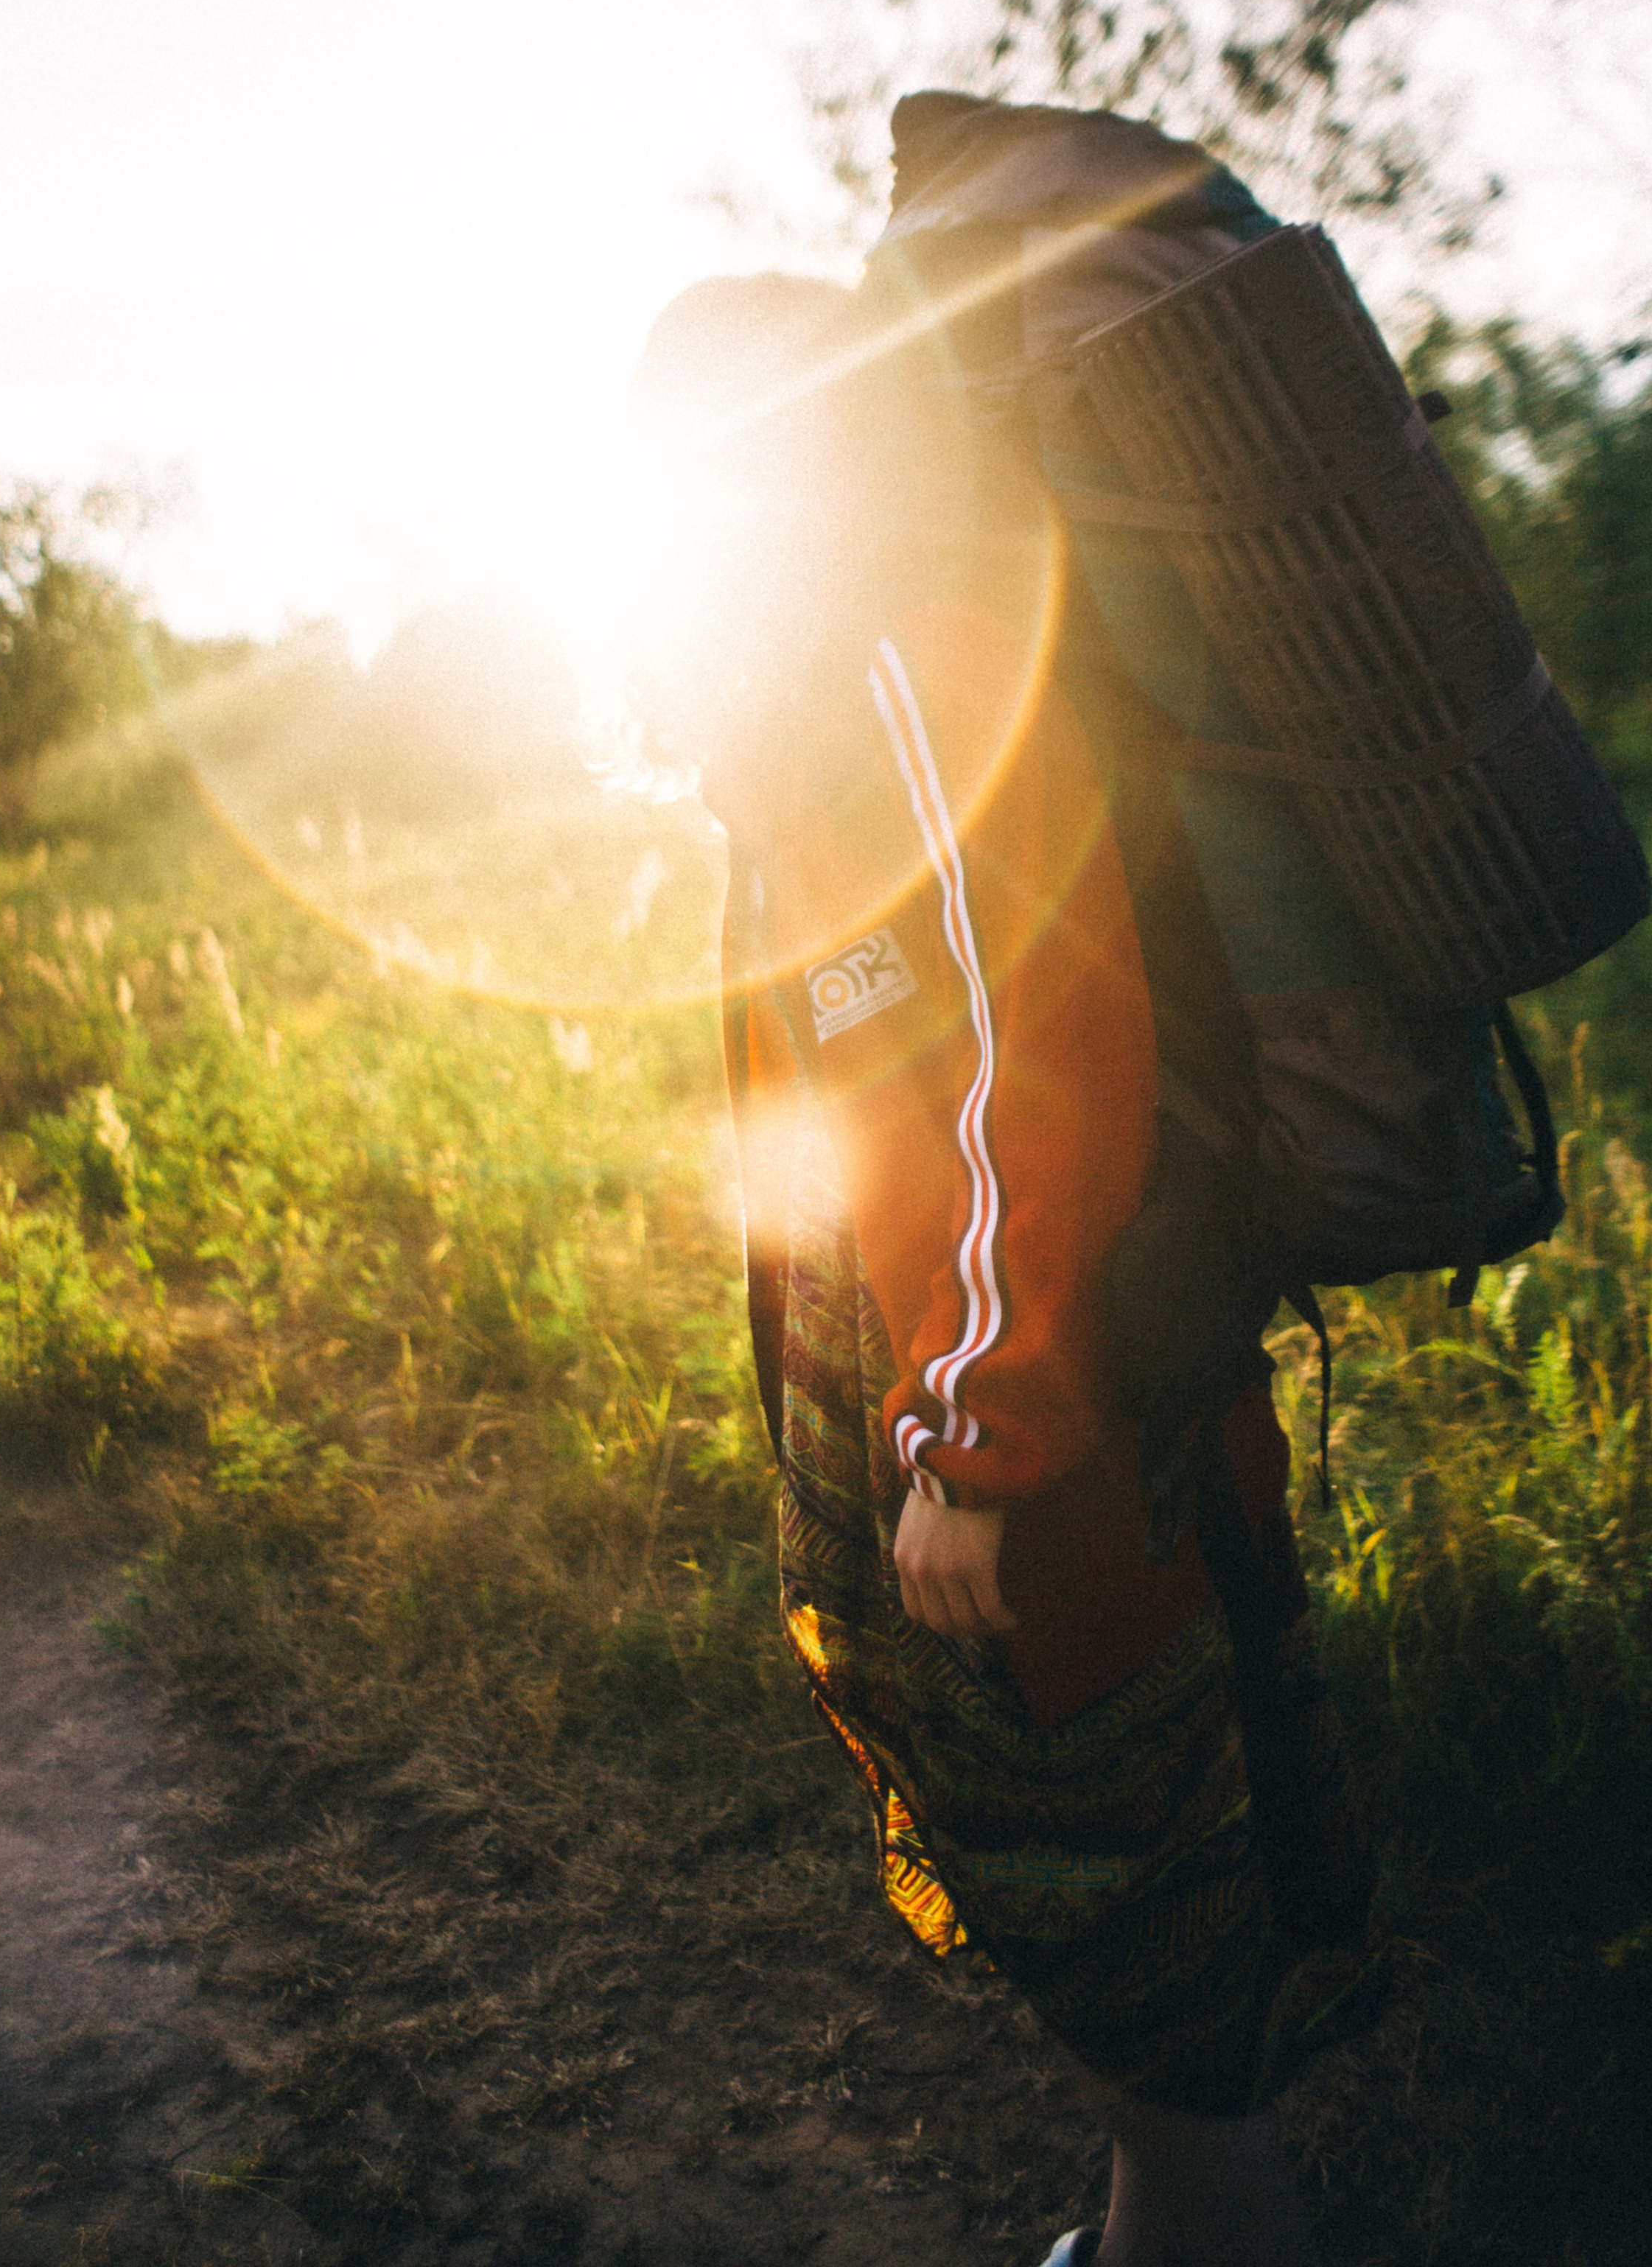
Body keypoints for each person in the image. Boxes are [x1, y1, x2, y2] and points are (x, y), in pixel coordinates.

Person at [628, 122, 1382, 2267]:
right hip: (968, 1376)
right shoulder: (812, 708)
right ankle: (1163, 2222)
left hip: (1041, 1411)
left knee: (1130, 1888)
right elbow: (874, 1066)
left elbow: (1025, 1062)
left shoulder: (917, 662)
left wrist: (976, 1426)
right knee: (1091, 1888)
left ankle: (1210, 2230)